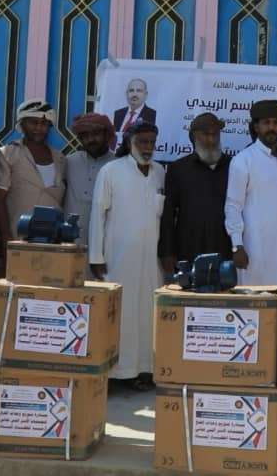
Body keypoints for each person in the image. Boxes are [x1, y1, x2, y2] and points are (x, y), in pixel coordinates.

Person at [89, 121, 165, 390]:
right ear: (129, 141)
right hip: (118, 258)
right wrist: (96, 257)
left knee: (147, 314)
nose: (148, 147)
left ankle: (145, 370)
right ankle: (117, 372)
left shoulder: (159, 172)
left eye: (152, 142)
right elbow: (98, 214)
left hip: (151, 261)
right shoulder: (111, 171)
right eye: (142, 141)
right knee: (122, 314)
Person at [225, 99, 277, 292]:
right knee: (256, 300)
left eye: (276, 123)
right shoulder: (243, 160)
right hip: (255, 248)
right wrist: (237, 246)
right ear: (256, 127)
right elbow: (233, 206)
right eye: (266, 123)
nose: (271, 127)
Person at [159, 113, 232, 274]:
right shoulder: (178, 169)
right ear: (193, 137)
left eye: (215, 134)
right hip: (189, 249)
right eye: (206, 134)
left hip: (225, 248)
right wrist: (167, 252)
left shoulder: (233, 166)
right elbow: (168, 214)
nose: (211, 140)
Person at [0, 100, 65, 248]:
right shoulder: (8, 154)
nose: (39, 128)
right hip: (18, 238)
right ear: (22, 124)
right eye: (33, 122)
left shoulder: (60, 159)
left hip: (53, 240)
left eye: (44, 123)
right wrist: (5, 236)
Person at [63, 113, 116, 249]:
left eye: (96, 134)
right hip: (72, 241)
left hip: (107, 243)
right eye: (85, 136)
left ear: (107, 135)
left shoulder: (119, 165)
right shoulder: (69, 162)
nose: (90, 139)